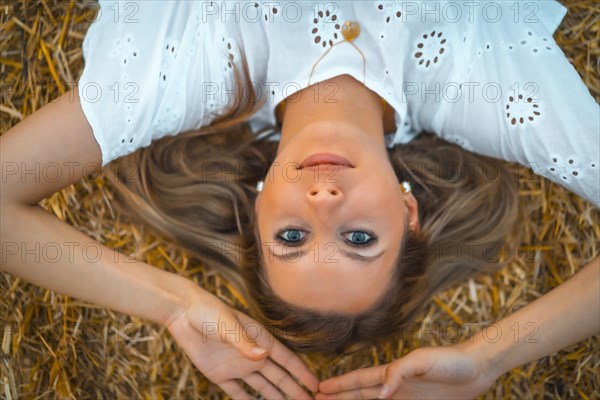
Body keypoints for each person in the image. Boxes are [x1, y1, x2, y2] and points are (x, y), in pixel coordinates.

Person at [1, 0, 598, 398]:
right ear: (410, 212)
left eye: (291, 238)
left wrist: (175, 306)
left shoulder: (188, 75)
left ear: (257, 206)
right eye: (359, 239)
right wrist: (487, 360)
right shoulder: (481, 86)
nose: (324, 201)